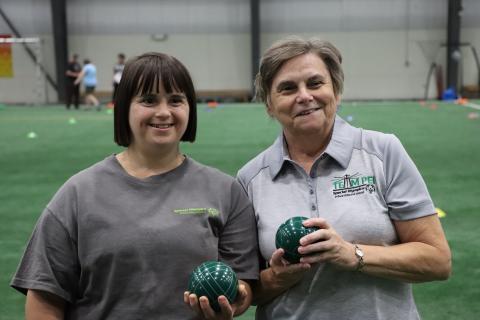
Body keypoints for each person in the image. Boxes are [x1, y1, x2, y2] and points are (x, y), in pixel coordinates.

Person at [11, 52, 259, 319]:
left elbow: (243, 282)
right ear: (123, 107)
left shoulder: (226, 191)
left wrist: (237, 296)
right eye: (149, 100)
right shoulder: (77, 194)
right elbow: (44, 299)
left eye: (176, 100)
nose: (164, 112)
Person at [237, 36, 452, 320]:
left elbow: (437, 261)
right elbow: (248, 289)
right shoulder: (250, 178)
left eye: (315, 83)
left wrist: (352, 254)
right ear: (269, 104)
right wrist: (277, 277)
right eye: (287, 88)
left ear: (335, 91)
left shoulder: (382, 152)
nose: (304, 96)